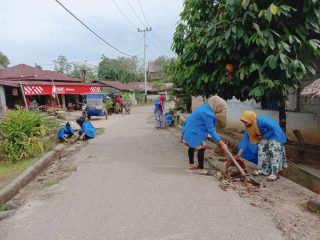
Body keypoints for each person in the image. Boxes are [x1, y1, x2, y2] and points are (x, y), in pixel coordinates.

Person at [182, 96, 228, 175]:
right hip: (194, 132)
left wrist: (218, 141)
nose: (220, 111)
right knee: (202, 147)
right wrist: (222, 143)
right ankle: (201, 169)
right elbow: (211, 130)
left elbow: (210, 128)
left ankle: (191, 164)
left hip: (189, 130)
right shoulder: (208, 113)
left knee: (192, 146)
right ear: (216, 106)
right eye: (221, 109)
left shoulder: (205, 107)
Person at [237, 111, 287, 181]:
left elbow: (273, 129)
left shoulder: (261, 121)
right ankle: (264, 170)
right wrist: (239, 153)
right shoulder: (248, 127)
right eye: (243, 121)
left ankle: (275, 173)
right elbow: (245, 140)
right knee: (262, 151)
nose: (244, 123)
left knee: (274, 152)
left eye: (245, 121)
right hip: (263, 136)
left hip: (276, 135)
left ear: (250, 118)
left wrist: (263, 136)